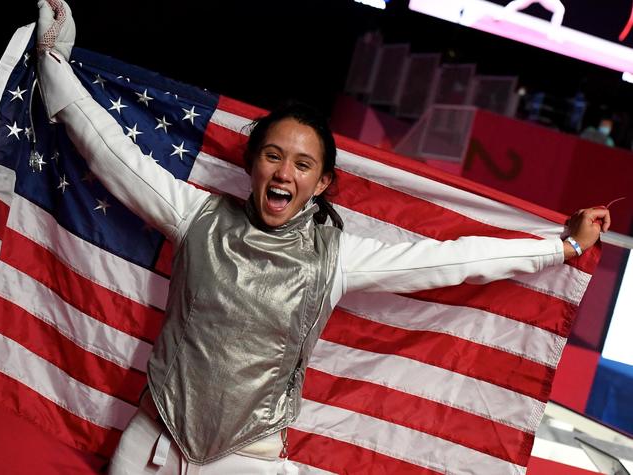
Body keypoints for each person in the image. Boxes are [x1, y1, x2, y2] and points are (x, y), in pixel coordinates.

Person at [36, 1, 611, 473]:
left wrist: (560, 247)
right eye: (274, 156)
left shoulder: (334, 259)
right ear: (254, 165)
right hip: (151, 445)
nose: (285, 172)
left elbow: (450, 260)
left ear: (322, 182)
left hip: (248, 462)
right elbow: (114, 157)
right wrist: (54, 62)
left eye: (303, 165)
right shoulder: (196, 215)